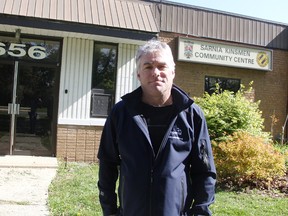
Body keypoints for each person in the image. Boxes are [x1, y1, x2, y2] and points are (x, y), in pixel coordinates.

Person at [97, 39, 216, 216]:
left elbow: (205, 171)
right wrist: (110, 211)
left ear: (173, 71)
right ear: (138, 73)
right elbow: (107, 165)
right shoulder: (121, 113)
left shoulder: (191, 114)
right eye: (148, 67)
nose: (156, 73)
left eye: (162, 66)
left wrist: (200, 212)